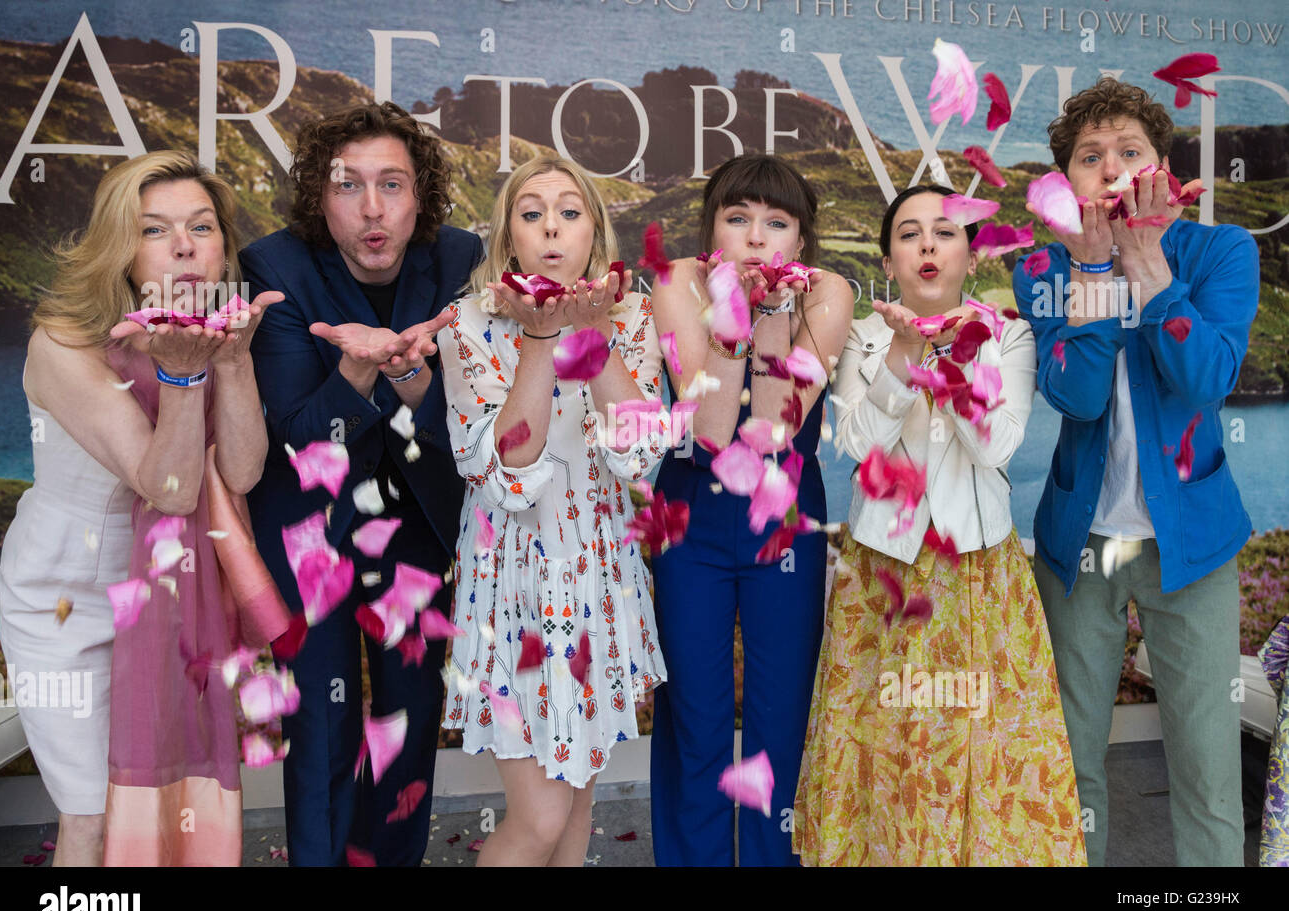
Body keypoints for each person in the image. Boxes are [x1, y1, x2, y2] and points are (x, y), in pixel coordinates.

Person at [0, 150, 278, 865]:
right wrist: (184, 377)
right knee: (94, 818)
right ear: (120, 247)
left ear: (223, 247)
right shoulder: (61, 343)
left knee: (161, 810)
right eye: (155, 230)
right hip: (66, 600)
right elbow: (172, 490)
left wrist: (236, 362)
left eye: (202, 226)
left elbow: (241, 473)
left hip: (167, 592)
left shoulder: (214, 333)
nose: (184, 245)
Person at [793, 184, 1085, 866]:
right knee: (888, 737)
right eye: (909, 233)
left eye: (946, 232)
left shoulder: (1009, 336)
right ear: (888, 261)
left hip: (978, 574)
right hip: (881, 575)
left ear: (969, 255)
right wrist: (901, 356)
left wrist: (952, 361)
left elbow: (997, 447)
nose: (927, 244)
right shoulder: (861, 337)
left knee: (982, 740)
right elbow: (859, 446)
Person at [1014, 77, 1258, 867]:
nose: (1111, 169)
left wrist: (1149, 267)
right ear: (1067, 183)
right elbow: (1078, 398)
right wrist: (1091, 276)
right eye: (1091, 157)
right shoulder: (1041, 270)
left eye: (1130, 152)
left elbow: (1206, 379)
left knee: (1206, 766)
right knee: (1072, 759)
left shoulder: (1221, 252)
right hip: (1079, 547)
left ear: (1160, 165)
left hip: (1193, 549)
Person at [241, 102, 482, 867]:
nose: (372, 210)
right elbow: (299, 434)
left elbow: (463, 428)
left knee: (410, 721)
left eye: (393, 186)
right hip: (311, 525)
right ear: (320, 197)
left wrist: (410, 373)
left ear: (423, 200)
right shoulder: (274, 269)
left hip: (413, 524)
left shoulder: (460, 262)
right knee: (325, 726)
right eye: (349, 187)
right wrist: (355, 366)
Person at [436, 155, 667, 866]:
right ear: (507, 235)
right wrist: (541, 339)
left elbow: (640, 459)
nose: (551, 228)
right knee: (537, 820)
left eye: (569, 211)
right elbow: (504, 474)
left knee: (576, 807)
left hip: (598, 577)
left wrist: (592, 337)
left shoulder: (628, 316)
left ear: (594, 230)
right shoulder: (466, 324)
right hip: (511, 587)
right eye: (531, 212)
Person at [647, 154, 853, 866]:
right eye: (737, 219)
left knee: (778, 716)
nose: (756, 236)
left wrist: (770, 313)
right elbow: (708, 429)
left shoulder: (828, 293)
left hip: (784, 519)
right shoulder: (677, 281)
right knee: (697, 716)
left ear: (801, 238)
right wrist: (734, 310)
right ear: (712, 228)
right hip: (691, 517)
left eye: (776, 222)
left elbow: (771, 428)